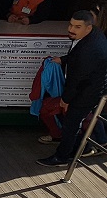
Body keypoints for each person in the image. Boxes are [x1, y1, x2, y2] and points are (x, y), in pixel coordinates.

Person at [37, 11, 107, 166]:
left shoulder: (89, 50)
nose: (71, 29)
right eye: (70, 24)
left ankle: (62, 157)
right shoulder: (92, 35)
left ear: (88, 28)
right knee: (81, 121)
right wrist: (63, 60)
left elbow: (77, 80)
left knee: (71, 125)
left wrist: (65, 99)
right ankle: (84, 147)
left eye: (77, 26)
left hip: (87, 93)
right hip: (90, 89)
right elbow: (76, 57)